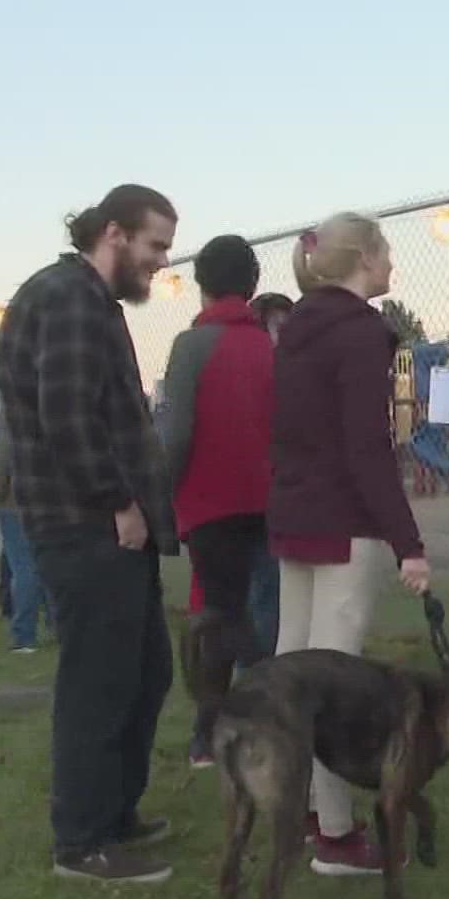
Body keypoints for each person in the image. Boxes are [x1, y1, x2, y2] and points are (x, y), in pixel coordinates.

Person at [0, 183, 181, 884]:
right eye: (155, 244)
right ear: (114, 233)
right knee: (97, 683)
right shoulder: (70, 298)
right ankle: (81, 841)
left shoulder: (85, 299)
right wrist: (118, 503)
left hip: (98, 523)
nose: (161, 261)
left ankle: (113, 813)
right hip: (84, 526)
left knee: (143, 671)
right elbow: (65, 415)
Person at [267, 211, 429, 877]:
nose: (392, 261)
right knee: (333, 679)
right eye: (386, 250)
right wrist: (407, 541)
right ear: (365, 256)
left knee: (292, 669)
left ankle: (304, 808)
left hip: (295, 512)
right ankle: (335, 834)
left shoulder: (294, 330)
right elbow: (367, 448)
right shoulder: (361, 334)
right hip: (344, 522)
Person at [160, 235, 278, 768]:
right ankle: (253, 720)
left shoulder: (192, 346)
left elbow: (178, 431)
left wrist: (162, 488)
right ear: (252, 284)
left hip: (211, 502)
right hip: (268, 500)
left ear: (202, 285)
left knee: (219, 615)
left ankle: (213, 732)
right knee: (257, 609)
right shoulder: (267, 347)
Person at [0, 411, 48, 654]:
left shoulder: (10, 417)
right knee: (47, 564)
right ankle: (58, 624)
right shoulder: (52, 406)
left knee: (24, 566)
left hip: (15, 502)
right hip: (49, 500)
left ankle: (24, 635)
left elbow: (0, 461)